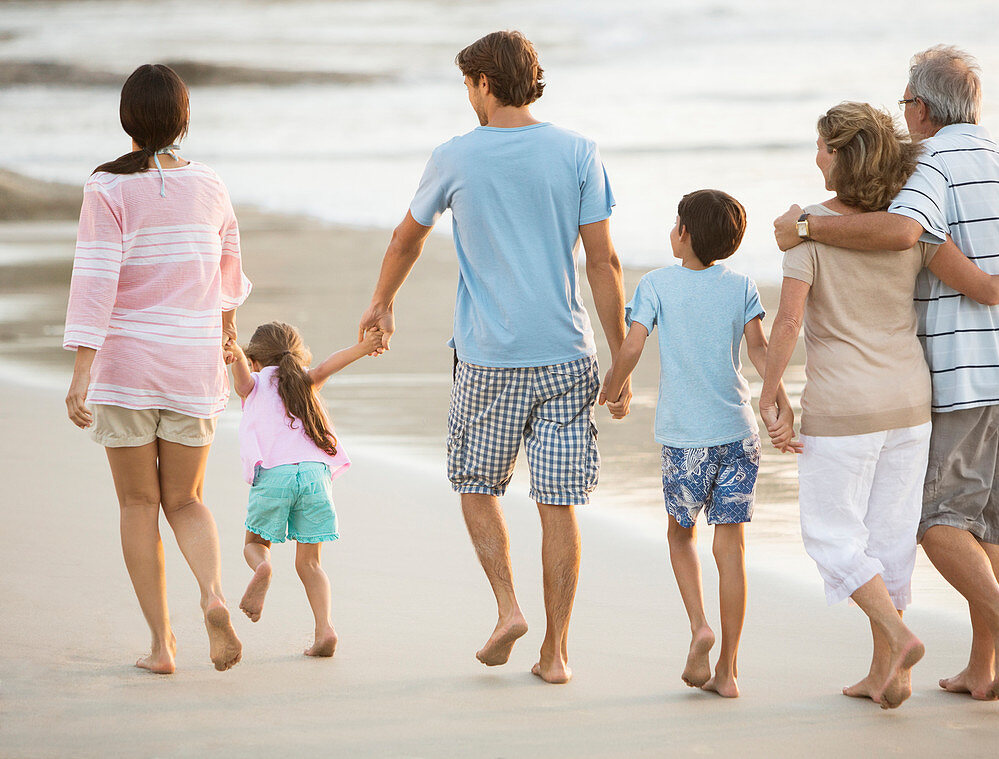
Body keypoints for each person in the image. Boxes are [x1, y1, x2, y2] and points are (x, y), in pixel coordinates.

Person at [773, 47, 999, 702]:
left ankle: (993, 625)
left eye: (904, 102)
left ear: (919, 109)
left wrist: (806, 224)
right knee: (979, 524)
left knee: (931, 520)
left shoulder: (925, 172)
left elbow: (894, 236)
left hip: (953, 385)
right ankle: (976, 664)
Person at [358, 30, 627, 684]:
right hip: (566, 354)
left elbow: (405, 238)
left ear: (483, 83)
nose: (469, 97)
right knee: (557, 503)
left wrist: (381, 303)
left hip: (488, 358)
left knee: (477, 486)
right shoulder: (578, 152)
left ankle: (509, 607)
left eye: (468, 85)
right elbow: (604, 261)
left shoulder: (457, 157)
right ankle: (556, 653)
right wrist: (620, 361)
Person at [63, 64, 249, 674]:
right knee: (188, 501)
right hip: (192, 365)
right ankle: (215, 596)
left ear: (128, 120)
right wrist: (225, 342)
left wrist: (80, 371)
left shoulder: (107, 189)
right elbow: (227, 280)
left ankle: (162, 646)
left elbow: (95, 282)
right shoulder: (212, 185)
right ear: (183, 119)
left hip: (127, 367)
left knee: (139, 504)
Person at [600, 189, 798, 698]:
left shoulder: (656, 285)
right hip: (737, 434)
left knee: (680, 535)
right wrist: (776, 397)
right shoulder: (741, 286)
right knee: (730, 549)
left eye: (675, 223)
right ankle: (729, 671)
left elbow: (633, 346)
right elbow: (758, 350)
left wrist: (613, 387)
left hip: (684, 441)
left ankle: (699, 627)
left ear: (685, 234)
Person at [226, 322, 383, 657]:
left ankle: (263, 567)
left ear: (256, 360)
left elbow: (240, 375)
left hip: (275, 475)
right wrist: (366, 345)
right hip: (315, 476)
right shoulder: (306, 380)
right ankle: (325, 629)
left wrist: (233, 349)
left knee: (255, 543)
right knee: (310, 564)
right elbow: (332, 363)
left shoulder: (252, 384)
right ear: (296, 355)